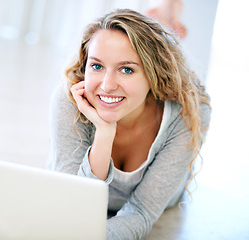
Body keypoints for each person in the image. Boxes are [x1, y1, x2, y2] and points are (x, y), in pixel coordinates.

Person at [47, 8, 211, 240]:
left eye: (126, 69)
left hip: (165, 198)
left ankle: (164, 18)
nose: (106, 85)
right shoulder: (70, 98)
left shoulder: (188, 112)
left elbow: (141, 212)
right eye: (96, 66)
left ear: (153, 74)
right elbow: (73, 204)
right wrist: (104, 132)